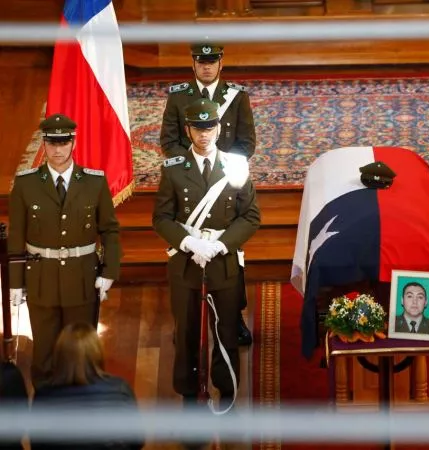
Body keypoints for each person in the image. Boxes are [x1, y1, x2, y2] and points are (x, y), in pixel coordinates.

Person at [153, 99, 260, 409]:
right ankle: (189, 393)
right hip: (186, 262)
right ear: (188, 130)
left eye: (209, 127)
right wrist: (188, 242)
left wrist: (222, 244)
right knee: (186, 332)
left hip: (223, 261)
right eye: (198, 128)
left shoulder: (235, 166)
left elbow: (250, 215)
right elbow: (161, 218)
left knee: (226, 330)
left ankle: (227, 391)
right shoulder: (174, 169)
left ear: (218, 128)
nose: (204, 134)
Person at [7, 113, 121, 389]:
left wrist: (109, 272)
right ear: (43, 144)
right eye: (52, 143)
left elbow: (109, 230)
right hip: (41, 279)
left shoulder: (94, 183)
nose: (58, 150)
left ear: (74, 143)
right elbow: (17, 235)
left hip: (81, 278)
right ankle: (46, 408)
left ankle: (82, 407)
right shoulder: (25, 184)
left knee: (81, 354)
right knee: (44, 354)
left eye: (63, 142)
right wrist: (15, 283)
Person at [160, 42, 256, 346]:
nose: (206, 67)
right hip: (189, 180)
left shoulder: (236, 96)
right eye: (201, 62)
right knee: (186, 259)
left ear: (220, 63)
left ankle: (233, 316)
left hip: (226, 183)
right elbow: (169, 141)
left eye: (211, 61)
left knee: (231, 257)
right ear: (193, 64)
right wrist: (192, 166)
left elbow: (246, 142)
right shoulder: (178, 96)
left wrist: (220, 167)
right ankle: (186, 321)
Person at [31, 322, 143, 450]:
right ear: (98, 353)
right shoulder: (121, 389)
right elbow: (137, 440)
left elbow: (36, 445)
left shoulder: (43, 396)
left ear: (59, 355)